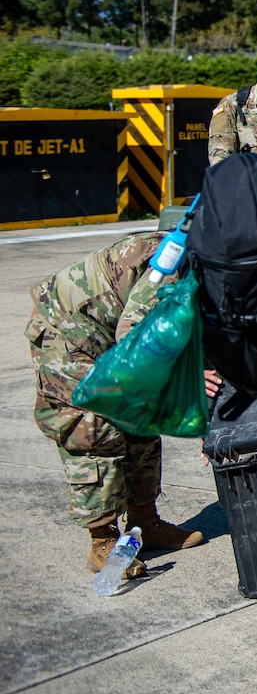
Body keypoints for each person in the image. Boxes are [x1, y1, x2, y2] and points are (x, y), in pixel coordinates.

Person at [27, 232, 205, 581]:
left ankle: (144, 523)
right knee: (92, 430)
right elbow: (136, 333)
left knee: (140, 420)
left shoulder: (223, 253)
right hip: (67, 334)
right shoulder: (181, 257)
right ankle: (103, 541)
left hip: (108, 334)